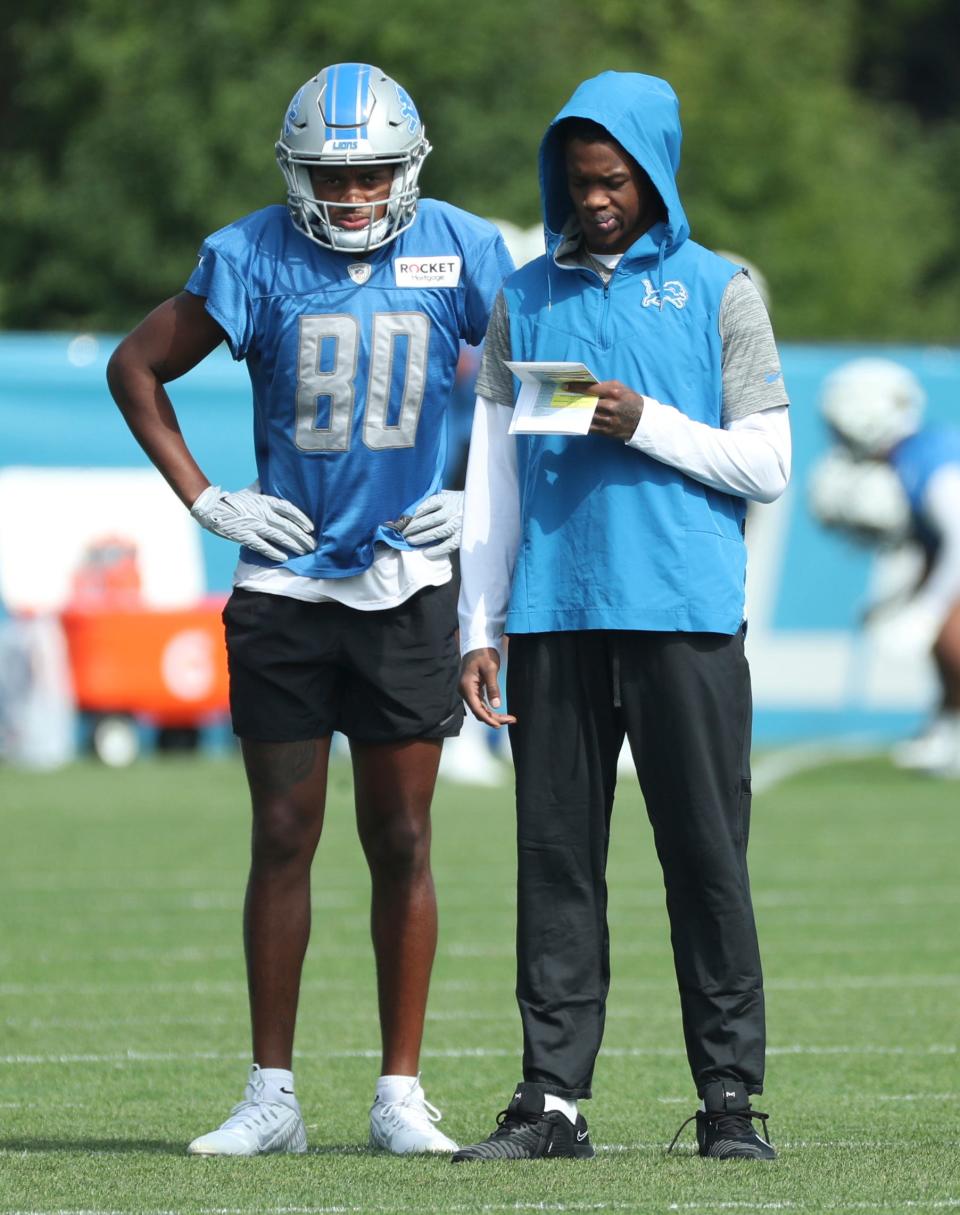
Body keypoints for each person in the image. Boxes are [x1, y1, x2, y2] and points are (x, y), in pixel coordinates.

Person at [107, 62, 514, 1156]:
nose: (352, 196)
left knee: (404, 837)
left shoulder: (468, 249)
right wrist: (207, 499)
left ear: (409, 167)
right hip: (285, 587)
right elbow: (136, 366)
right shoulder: (248, 255)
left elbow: (547, 383)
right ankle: (272, 1095)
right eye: (333, 176)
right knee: (282, 832)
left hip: (405, 586)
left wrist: (475, 496)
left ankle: (398, 1093)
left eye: (373, 172)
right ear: (296, 173)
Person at [453, 71, 791, 1162]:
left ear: (655, 175)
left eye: (614, 181)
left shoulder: (720, 290)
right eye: (577, 180)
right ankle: (552, 1103)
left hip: (685, 618)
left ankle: (730, 1103)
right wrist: (478, 622)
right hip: (553, 617)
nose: (595, 200)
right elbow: (495, 474)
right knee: (554, 865)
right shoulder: (524, 297)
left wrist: (644, 421)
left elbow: (768, 465)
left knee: (705, 860)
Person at [812, 357, 960, 776]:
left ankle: (948, 730)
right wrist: (901, 601)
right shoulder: (916, 454)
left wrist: (926, 611)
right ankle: (945, 728)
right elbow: (937, 559)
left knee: (947, 626)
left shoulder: (924, 457)